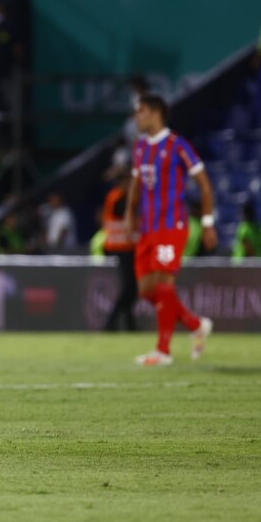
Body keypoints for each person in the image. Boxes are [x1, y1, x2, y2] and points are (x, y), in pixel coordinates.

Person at [125, 94, 217, 366]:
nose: (136, 116)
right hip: (148, 228)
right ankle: (195, 324)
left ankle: (162, 351)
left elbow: (204, 184)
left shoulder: (177, 145)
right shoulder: (140, 147)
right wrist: (130, 212)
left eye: (140, 111)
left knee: (164, 285)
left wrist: (208, 223)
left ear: (155, 112)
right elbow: (135, 182)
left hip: (172, 226)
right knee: (146, 290)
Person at [100, 173, 140, 332]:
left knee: (132, 287)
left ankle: (130, 325)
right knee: (129, 286)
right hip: (120, 247)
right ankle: (111, 322)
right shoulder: (116, 197)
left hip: (129, 247)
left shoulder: (122, 196)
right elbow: (123, 209)